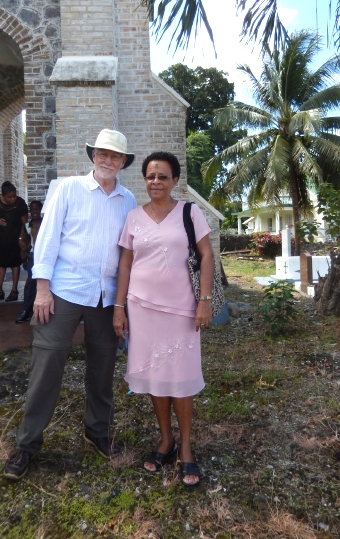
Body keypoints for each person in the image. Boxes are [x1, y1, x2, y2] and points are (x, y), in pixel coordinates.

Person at [3, 129, 137, 481]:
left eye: (115, 156)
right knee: (47, 367)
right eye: (102, 154)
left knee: (103, 368)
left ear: (123, 162)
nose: (108, 161)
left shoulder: (128, 200)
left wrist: (125, 301)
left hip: (106, 297)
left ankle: (98, 431)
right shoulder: (69, 189)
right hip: (62, 291)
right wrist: (42, 290)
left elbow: (128, 254)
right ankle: (27, 445)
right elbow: (46, 240)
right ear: (93, 156)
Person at [113, 151, 214, 488]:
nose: (156, 182)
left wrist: (205, 301)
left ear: (174, 181)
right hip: (141, 308)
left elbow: (206, 255)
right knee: (156, 375)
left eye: (163, 177)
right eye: (151, 176)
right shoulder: (133, 218)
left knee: (181, 376)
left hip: (183, 310)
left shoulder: (189, 212)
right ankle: (165, 440)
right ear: (144, 180)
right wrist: (118, 307)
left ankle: (185, 447)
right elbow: (125, 264)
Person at [0, 181, 28, 302]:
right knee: (1, 263)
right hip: (0, 237)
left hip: (16, 238)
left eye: (14, 196)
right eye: (9, 197)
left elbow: (24, 223)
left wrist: (21, 238)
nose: (12, 199)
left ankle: (14, 291)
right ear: (3, 195)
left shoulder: (20, 203)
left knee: (15, 264)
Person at [16, 200, 43, 323]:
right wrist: (24, 258)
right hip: (33, 256)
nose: (35, 211)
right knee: (31, 283)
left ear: (41, 210)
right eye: (32, 210)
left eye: (37, 209)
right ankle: (26, 310)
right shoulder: (27, 226)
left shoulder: (47, 223)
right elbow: (23, 243)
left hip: (45, 255)